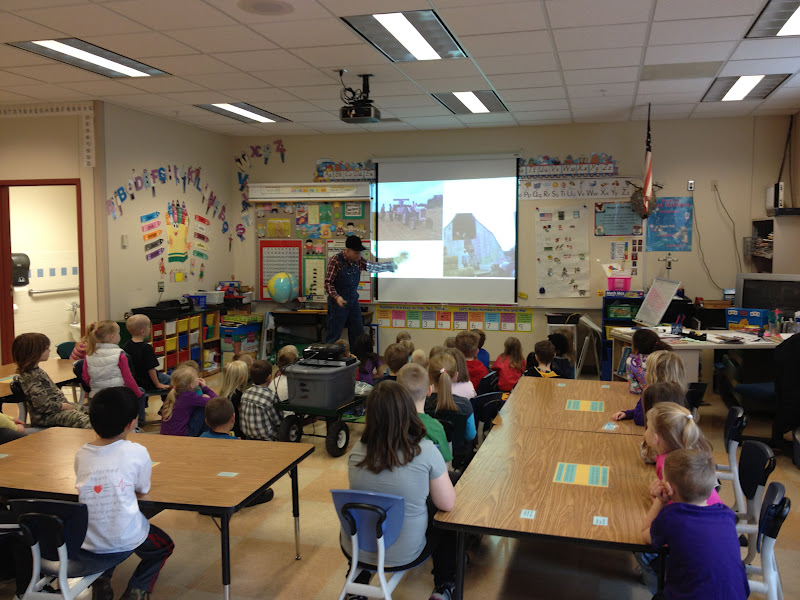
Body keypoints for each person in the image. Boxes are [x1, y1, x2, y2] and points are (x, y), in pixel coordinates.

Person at [346, 381, 457, 600]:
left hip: (357, 547)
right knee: (448, 517)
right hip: (405, 550)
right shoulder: (425, 450)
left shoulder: (357, 450)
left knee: (368, 509)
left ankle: (357, 584)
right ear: (408, 411)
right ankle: (443, 586)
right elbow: (447, 504)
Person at [75, 387, 174, 600]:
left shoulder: (81, 453)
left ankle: (101, 579)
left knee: (106, 541)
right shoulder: (136, 451)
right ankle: (137, 591)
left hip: (86, 538)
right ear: (132, 422)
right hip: (124, 537)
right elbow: (143, 488)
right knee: (163, 546)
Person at [641, 449, 748, 599]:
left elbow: (645, 534)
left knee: (646, 555)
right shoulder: (727, 514)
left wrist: (660, 501)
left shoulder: (672, 517)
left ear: (669, 488)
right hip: (736, 595)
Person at [324, 235, 395, 346]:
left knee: (358, 333)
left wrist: (390, 266)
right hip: (337, 304)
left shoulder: (358, 261)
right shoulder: (336, 261)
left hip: (353, 302)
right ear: (347, 251)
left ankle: (358, 359)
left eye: (360, 253)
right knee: (333, 334)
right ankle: (329, 359)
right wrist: (337, 297)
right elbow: (328, 283)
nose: (359, 256)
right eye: (356, 253)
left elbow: (372, 267)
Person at [11, 332, 91, 429]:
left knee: (96, 413)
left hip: (57, 411)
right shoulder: (29, 377)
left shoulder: (37, 371)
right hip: (47, 418)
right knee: (86, 421)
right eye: (46, 348)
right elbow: (42, 406)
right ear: (35, 352)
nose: (49, 350)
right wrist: (64, 406)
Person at [397, 363, 453, 463]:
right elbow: (445, 463)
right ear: (429, 390)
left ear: (397, 393)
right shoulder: (435, 427)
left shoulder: (391, 422)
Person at [612, 350, 685, 425]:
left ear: (654, 374)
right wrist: (628, 414)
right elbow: (647, 412)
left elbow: (640, 419)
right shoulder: (677, 392)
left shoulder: (652, 392)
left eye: (646, 370)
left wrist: (644, 396)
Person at [82, 321, 143, 408]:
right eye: (118, 333)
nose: (119, 335)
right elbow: (128, 378)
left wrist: (96, 386)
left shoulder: (89, 354)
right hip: (117, 396)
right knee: (141, 392)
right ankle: (137, 421)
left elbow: (86, 377)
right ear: (112, 337)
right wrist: (138, 393)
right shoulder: (119, 354)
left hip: (96, 396)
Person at [124, 315, 170, 425]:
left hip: (135, 380)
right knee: (171, 380)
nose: (150, 329)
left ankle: (162, 407)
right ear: (143, 331)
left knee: (166, 378)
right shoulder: (146, 348)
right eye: (149, 327)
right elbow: (151, 369)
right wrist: (158, 384)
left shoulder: (126, 346)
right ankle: (166, 408)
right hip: (148, 381)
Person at [425, 352, 477, 450]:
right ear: (456, 376)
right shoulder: (465, 404)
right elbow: (471, 435)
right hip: (458, 456)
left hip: (427, 453)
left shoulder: (421, 404)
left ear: (429, 376)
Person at [160, 365, 216, 436]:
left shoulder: (174, 392)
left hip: (166, 434)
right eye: (196, 377)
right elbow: (216, 402)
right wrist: (205, 388)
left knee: (203, 401)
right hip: (183, 435)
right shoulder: (189, 396)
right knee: (205, 406)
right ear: (191, 385)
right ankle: (207, 435)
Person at [240, 359, 283, 442]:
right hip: (267, 438)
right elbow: (278, 421)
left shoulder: (245, 393)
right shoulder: (270, 396)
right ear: (269, 377)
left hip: (248, 436)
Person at [624, 329, 670, 395]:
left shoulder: (631, 361)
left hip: (645, 396)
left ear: (636, 348)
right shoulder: (663, 358)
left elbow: (634, 388)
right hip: (665, 395)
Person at [218, 360, 249, 439]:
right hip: (236, 429)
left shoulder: (224, 392)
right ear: (242, 377)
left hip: (226, 427)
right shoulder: (238, 395)